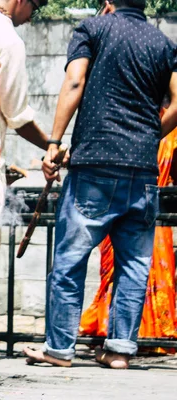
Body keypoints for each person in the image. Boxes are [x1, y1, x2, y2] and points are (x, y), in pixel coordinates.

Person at [24, 0, 177, 369]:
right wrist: (150, 134)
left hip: (94, 163)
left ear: (110, 2)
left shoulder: (93, 28)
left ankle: (59, 349)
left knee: (70, 260)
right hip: (141, 171)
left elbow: (75, 80)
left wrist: (54, 143)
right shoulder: (163, 44)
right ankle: (121, 351)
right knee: (135, 264)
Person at [80, 110, 177, 354]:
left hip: (129, 205)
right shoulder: (167, 132)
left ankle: (124, 333)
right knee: (134, 269)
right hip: (151, 207)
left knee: (130, 269)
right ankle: (129, 334)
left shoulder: (129, 123)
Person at [0, 0, 50, 258]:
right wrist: (53, 146)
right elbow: (17, 117)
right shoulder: (8, 40)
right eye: (34, 9)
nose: (29, 19)